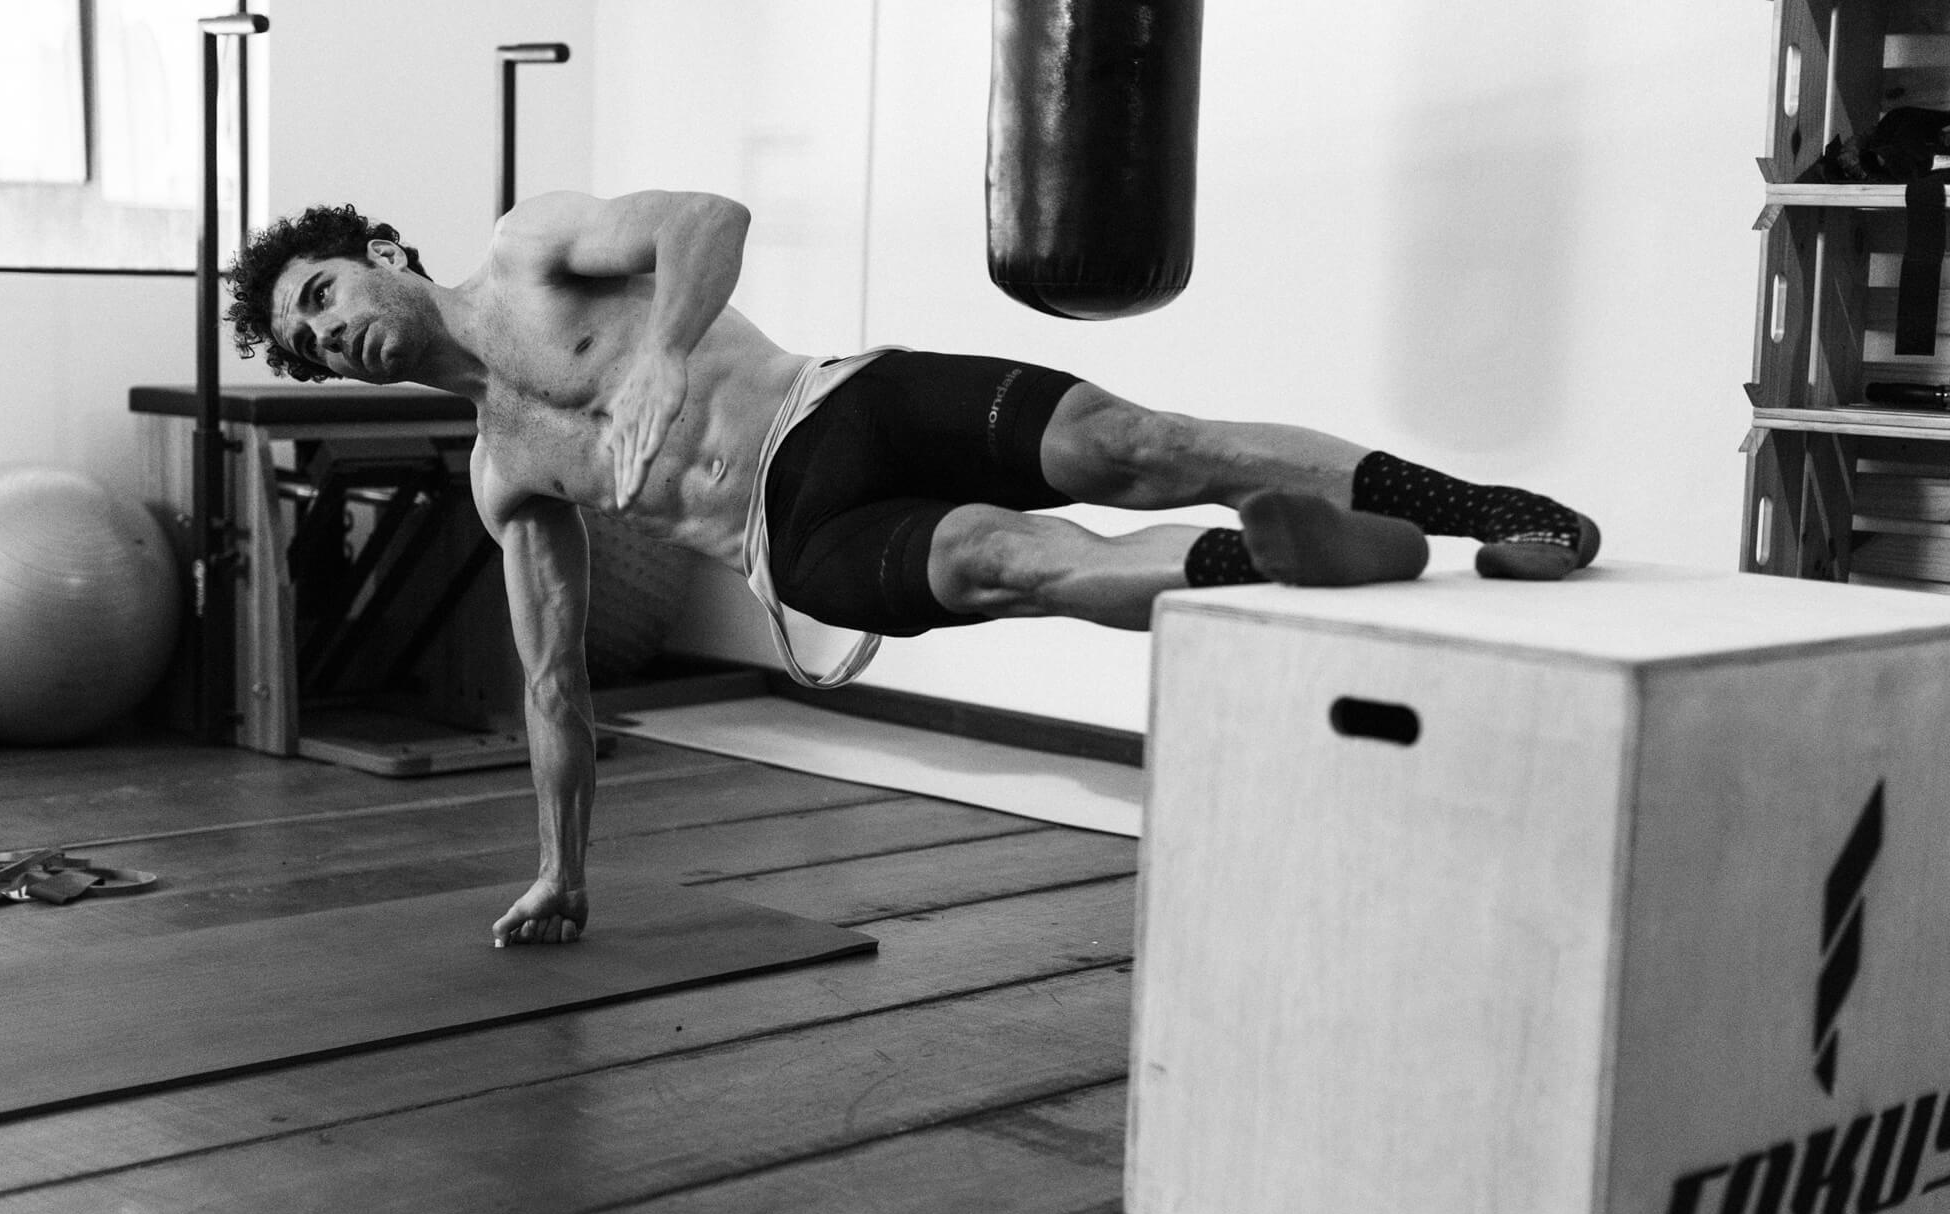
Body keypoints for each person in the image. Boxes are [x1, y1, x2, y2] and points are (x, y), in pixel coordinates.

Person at [225, 190, 1599, 948]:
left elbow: (709, 218)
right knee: (1024, 562)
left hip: (840, 404)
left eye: (324, 294)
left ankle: (1479, 510)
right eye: (303, 340)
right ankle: (1282, 562)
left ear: (385, 254)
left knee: (1134, 441)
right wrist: (561, 869)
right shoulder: (501, 471)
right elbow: (547, 679)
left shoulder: (534, 254)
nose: (328, 334)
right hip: (799, 540)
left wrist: (654, 357)